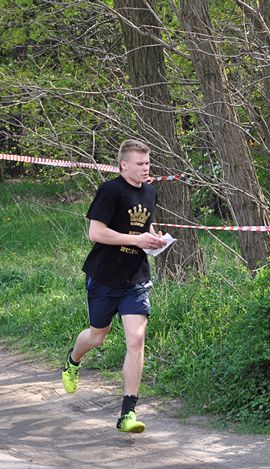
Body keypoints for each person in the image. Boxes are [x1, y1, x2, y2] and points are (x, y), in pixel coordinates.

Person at [61, 139, 166, 433]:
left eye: (148, 163)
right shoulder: (110, 191)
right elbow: (95, 233)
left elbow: (145, 227)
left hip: (136, 278)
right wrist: (136, 240)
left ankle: (128, 413)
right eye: (140, 164)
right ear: (124, 165)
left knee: (136, 340)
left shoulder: (150, 191)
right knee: (97, 336)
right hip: (104, 277)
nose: (146, 168)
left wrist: (154, 239)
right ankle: (73, 359)